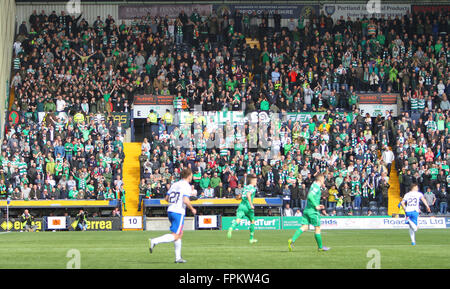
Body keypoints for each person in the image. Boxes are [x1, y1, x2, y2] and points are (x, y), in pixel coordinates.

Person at [149, 168, 197, 263]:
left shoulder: (175, 184)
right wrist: (192, 209)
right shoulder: (186, 186)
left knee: (179, 234)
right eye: (191, 175)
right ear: (188, 176)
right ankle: (154, 241)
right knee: (175, 235)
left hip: (170, 210)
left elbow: (166, 198)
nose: (192, 177)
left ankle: (178, 258)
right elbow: (185, 200)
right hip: (178, 211)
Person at [288, 174, 330, 252]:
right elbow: (310, 196)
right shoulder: (316, 187)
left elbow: (312, 196)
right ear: (320, 180)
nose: (324, 181)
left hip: (307, 209)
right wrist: (316, 205)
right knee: (317, 228)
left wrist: (317, 204)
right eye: (323, 179)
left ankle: (292, 240)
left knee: (305, 227)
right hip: (313, 211)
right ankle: (320, 247)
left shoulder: (313, 185)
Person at [227, 174, 258, 244]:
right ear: (252, 181)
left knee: (237, 220)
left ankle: (231, 228)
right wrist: (251, 205)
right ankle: (251, 239)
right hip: (248, 207)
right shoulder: (253, 188)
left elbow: (241, 196)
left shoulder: (245, 188)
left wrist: (238, 197)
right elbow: (248, 195)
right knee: (252, 222)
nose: (256, 182)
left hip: (241, 206)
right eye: (255, 180)